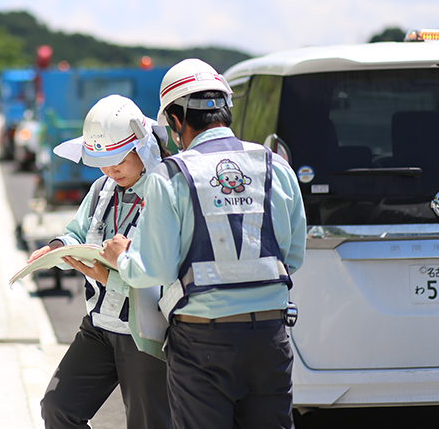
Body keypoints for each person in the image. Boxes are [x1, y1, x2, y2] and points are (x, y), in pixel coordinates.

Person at [101, 59, 307, 429]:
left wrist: (122, 259)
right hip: (270, 337)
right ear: (225, 110)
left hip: (202, 341)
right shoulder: (275, 164)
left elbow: (156, 269)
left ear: (177, 121)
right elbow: (293, 256)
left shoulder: (172, 174)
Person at [28, 94, 172, 429]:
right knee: (58, 408)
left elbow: (170, 270)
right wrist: (57, 248)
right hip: (99, 326)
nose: (111, 169)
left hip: (145, 332)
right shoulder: (102, 189)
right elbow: (77, 233)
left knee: (149, 423)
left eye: (119, 159)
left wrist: (113, 279)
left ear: (144, 146)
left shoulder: (169, 192)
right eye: (102, 162)